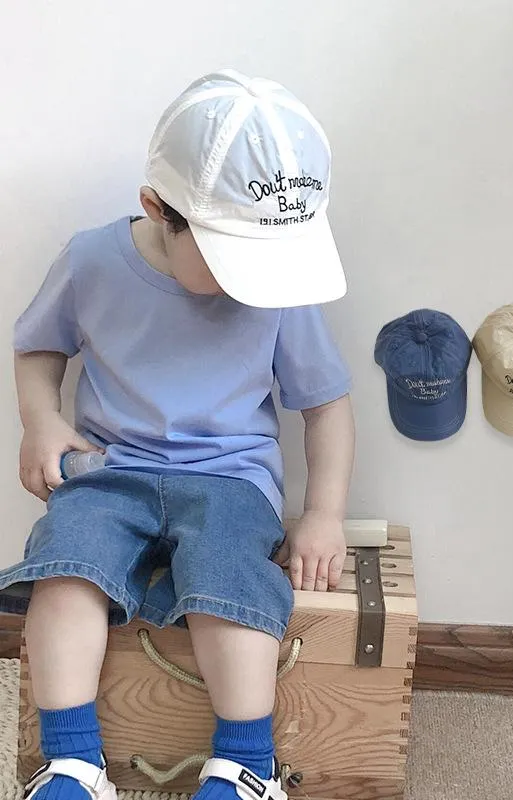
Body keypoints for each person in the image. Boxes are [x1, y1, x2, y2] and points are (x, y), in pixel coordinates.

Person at [2, 69, 355, 800]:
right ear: (159, 211)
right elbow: (38, 345)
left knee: (228, 583)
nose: (249, 282)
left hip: (229, 481)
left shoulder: (278, 288)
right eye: (233, 259)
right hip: (107, 469)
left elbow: (325, 402)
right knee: (64, 567)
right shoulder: (92, 259)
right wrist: (41, 420)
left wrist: (324, 513)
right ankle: (71, 760)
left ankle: (246, 765)